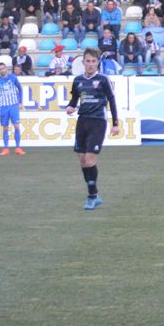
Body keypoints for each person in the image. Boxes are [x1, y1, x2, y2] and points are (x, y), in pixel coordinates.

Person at [65, 48, 120, 211]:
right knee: (82, 160)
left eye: (93, 61)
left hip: (98, 122)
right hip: (82, 121)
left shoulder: (103, 80)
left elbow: (112, 100)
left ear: (98, 63)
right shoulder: (78, 80)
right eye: (87, 61)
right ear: (83, 63)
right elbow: (75, 98)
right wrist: (70, 106)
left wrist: (115, 123)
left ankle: (91, 196)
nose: (90, 64)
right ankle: (94, 195)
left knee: (89, 159)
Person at [0, 61, 25, 157]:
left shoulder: (13, 78)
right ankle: (6, 148)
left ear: (6, 68)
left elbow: (20, 89)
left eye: (3, 68)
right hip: (4, 107)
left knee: (16, 126)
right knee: (5, 127)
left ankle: (18, 147)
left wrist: (20, 102)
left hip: (14, 105)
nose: (1, 70)